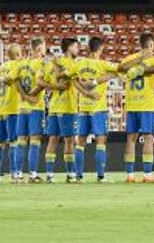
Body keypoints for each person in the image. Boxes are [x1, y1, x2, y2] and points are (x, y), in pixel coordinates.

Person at [116, 32, 154, 182]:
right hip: (146, 105)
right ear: (150, 45)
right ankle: (147, 175)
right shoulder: (153, 60)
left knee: (131, 139)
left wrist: (139, 60)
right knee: (148, 138)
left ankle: (130, 175)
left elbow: (121, 68)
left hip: (131, 104)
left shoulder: (130, 59)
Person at [74, 37, 117, 183]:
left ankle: (78, 176)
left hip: (83, 107)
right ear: (100, 49)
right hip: (98, 107)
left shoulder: (79, 63)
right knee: (100, 140)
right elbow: (120, 69)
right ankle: (100, 176)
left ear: (88, 48)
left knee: (80, 141)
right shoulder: (102, 64)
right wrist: (107, 76)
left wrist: (84, 91)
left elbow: (70, 77)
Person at [43, 38, 81, 183]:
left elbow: (44, 83)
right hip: (68, 107)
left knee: (53, 140)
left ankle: (49, 174)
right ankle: (70, 174)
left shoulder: (52, 64)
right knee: (69, 141)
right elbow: (64, 77)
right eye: (76, 47)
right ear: (69, 48)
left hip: (53, 107)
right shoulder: (73, 64)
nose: (78, 50)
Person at [15, 37, 48, 182]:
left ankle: (17, 173)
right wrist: (31, 96)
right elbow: (41, 83)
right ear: (39, 49)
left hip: (22, 108)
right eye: (44, 47)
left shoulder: (22, 63)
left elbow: (15, 80)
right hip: (36, 107)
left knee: (21, 140)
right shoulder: (42, 63)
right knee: (35, 140)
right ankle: (33, 174)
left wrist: (24, 96)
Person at [0, 44, 23, 182]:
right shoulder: (17, 66)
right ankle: (14, 173)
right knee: (14, 142)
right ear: (18, 54)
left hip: (0, 109)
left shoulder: (1, 67)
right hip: (13, 108)